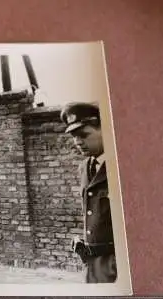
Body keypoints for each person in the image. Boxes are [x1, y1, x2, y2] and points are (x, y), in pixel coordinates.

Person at [60, 102, 117, 283]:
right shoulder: (85, 167)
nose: (78, 142)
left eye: (84, 135)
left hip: (117, 266)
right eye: (74, 137)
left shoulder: (122, 164)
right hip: (93, 265)